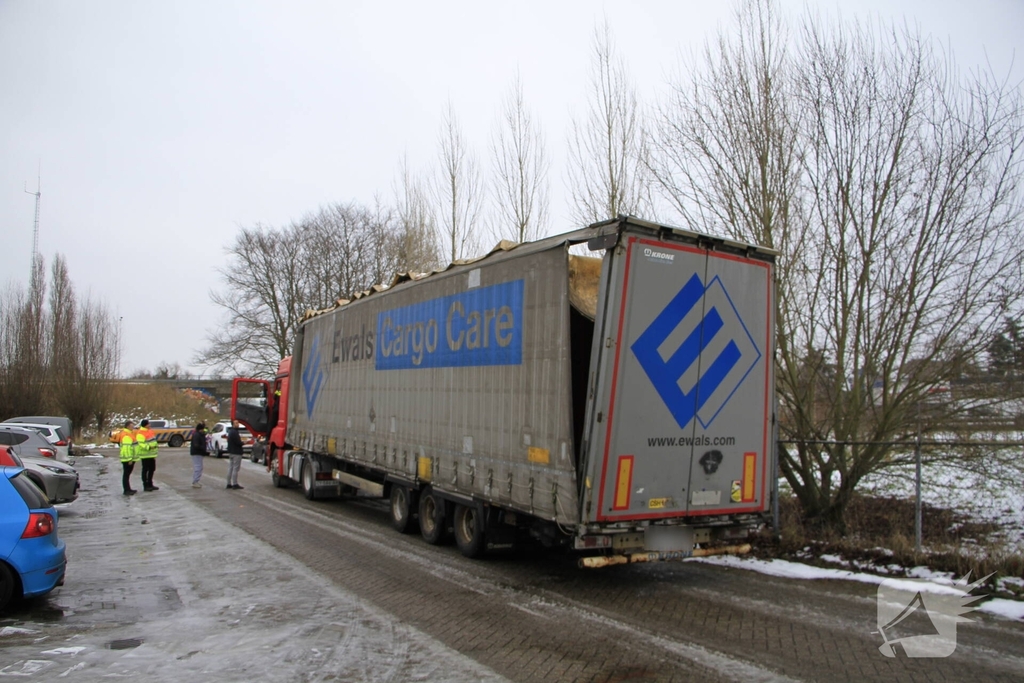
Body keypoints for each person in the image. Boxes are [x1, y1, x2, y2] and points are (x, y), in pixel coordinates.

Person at [136, 418, 160, 491]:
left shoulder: (150, 431)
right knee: (145, 470)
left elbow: (153, 440)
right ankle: (145, 485)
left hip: (152, 454)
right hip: (145, 454)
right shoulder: (140, 433)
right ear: (145, 425)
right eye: (148, 423)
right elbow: (141, 443)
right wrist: (148, 447)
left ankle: (150, 483)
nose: (150, 425)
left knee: (152, 469)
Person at [118, 420, 138, 495]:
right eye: (131, 426)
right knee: (126, 474)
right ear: (127, 426)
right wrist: (129, 459)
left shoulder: (129, 433)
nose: (133, 427)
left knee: (127, 474)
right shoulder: (126, 435)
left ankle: (128, 489)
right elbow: (127, 448)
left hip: (129, 458)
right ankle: (126, 490)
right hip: (127, 458)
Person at [225, 420, 245, 490]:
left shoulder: (231, 432)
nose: (238, 424)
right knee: (235, 469)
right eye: (236, 423)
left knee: (230, 468)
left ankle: (228, 483)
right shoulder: (235, 432)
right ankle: (235, 483)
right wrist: (243, 443)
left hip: (231, 452)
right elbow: (238, 442)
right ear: (233, 424)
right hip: (236, 452)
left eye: (238, 423)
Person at [190, 422, 209, 488]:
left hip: (198, 453)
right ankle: (195, 481)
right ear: (200, 429)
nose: (203, 430)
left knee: (199, 467)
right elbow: (196, 445)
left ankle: (196, 480)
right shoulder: (197, 435)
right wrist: (202, 449)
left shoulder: (199, 434)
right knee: (198, 467)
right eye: (202, 429)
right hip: (197, 453)